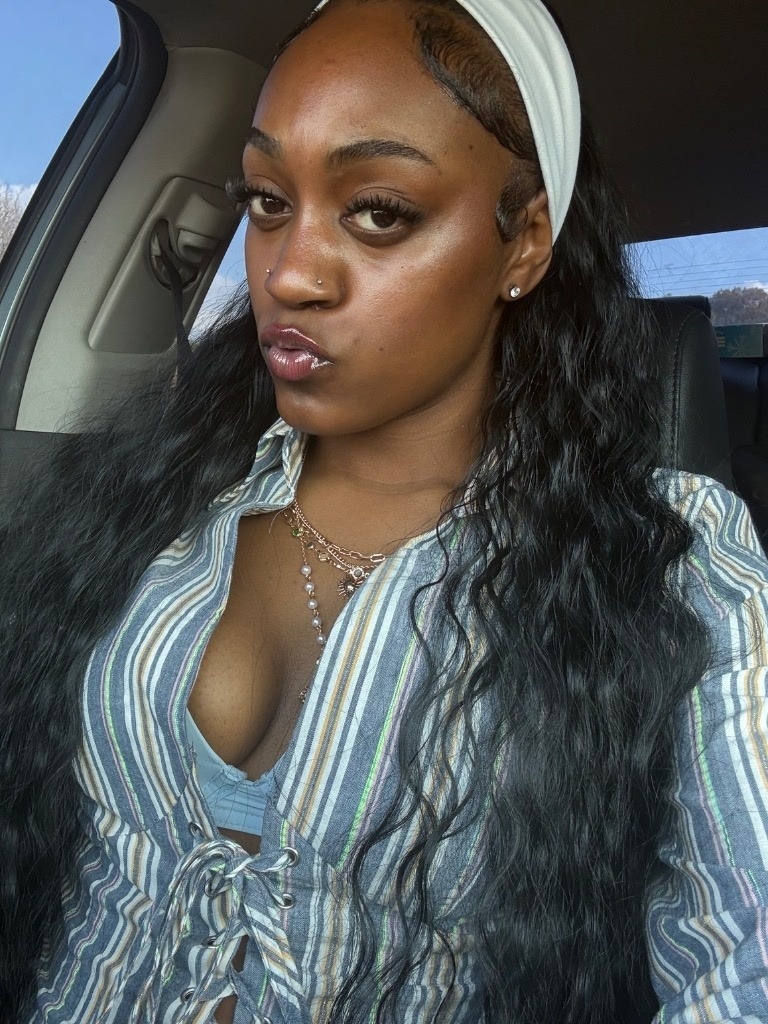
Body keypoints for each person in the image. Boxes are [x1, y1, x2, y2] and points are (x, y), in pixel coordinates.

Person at [2, 0, 768, 1021]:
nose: (289, 273)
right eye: (268, 201)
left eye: (377, 211)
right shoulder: (150, 495)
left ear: (524, 244)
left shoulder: (673, 557)